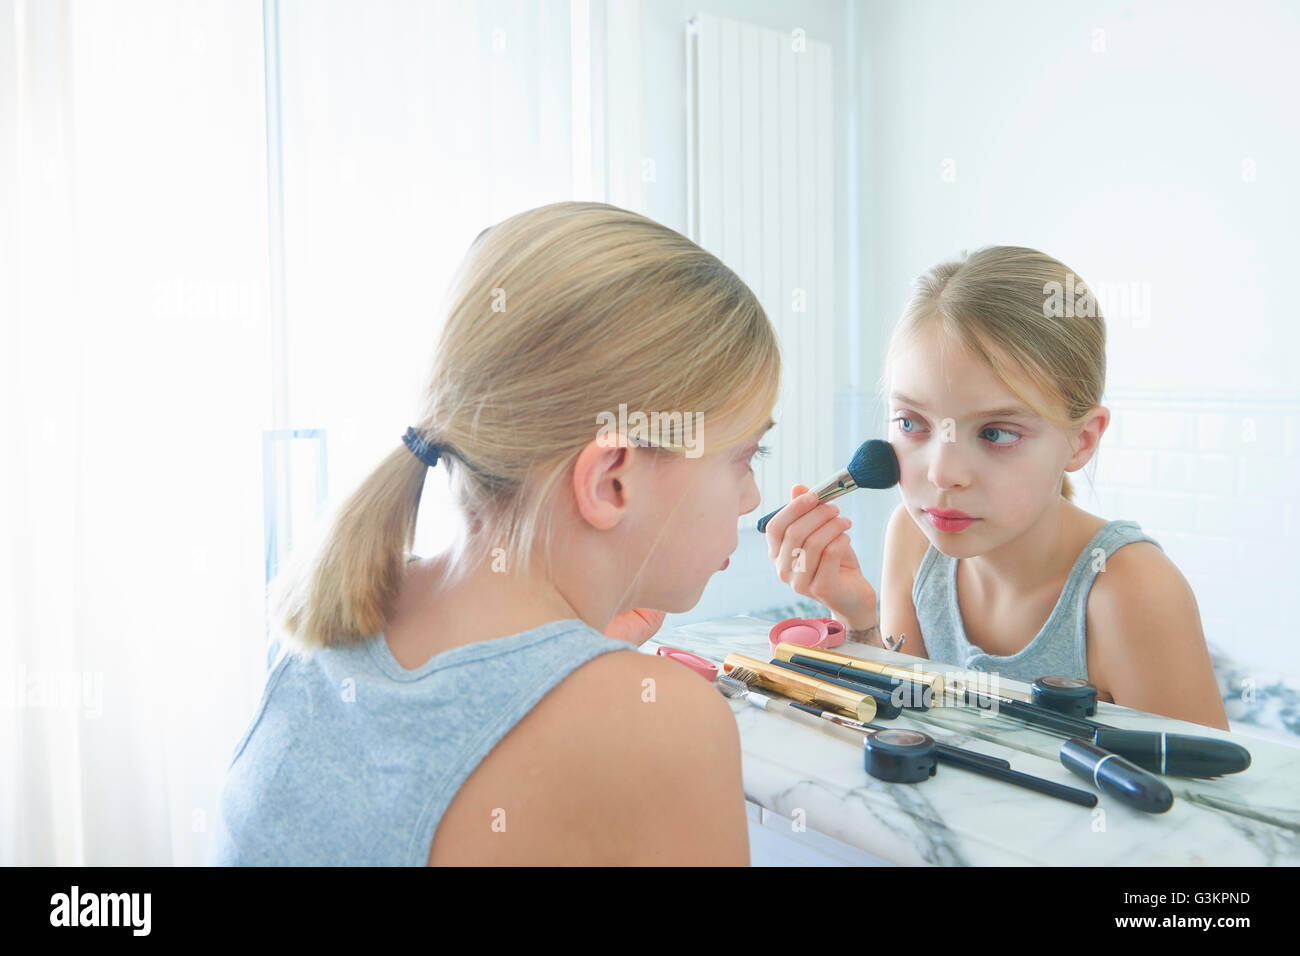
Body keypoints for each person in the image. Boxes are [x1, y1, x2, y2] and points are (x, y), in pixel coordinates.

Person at [213, 201, 781, 865]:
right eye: (745, 457)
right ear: (611, 481)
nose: (752, 497)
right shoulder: (665, 726)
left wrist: (582, 659)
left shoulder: (335, 621)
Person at [764, 246, 1228, 730]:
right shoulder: (914, 538)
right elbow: (911, 726)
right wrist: (856, 618)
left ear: (1081, 441)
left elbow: (1209, 801)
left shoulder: (1130, 590)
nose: (943, 474)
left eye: (996, 433)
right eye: (911, 422)